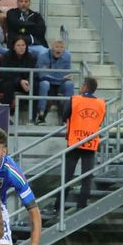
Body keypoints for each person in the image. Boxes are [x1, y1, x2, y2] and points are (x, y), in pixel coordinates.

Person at [65, 76, 105, 210]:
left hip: (74, 143)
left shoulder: (75, 100)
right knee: (87, 177)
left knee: (67, 176)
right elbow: (100, 121)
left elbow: (64, 114)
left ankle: (58, 206)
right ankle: (81, 205)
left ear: (85, 87)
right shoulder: (101, 103)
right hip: (90, 143)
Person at [4, 0, 49, 66]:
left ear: (30, 2)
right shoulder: (11, 13)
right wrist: (32, 25)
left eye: (26, 1)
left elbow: (41, 29)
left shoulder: (36, 15)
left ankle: (39, 76)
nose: (23, 4)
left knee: (45, 53)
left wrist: (22, 27)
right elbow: (15, 24)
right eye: (21, 1)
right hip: (18, 46)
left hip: (35, 45)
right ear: (17, 2)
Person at [35, 39, 73, 124]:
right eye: (56, 47)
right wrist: (60, 78)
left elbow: (67, 74)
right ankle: (40, 115)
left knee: (69, 84)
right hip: (47, 82)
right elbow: (42, 75)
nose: (59, 49)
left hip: (60, 83)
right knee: (45, 84)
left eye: (61, 47)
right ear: (51, 47)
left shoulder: (67, 56)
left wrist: (62, 79)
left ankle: (67, 116)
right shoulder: (43, 56)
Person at [0, 36, 35, 111]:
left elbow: (32, 74)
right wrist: (19, 81)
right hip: (5, 81)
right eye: (18, 45)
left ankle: (34, 116)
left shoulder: (30, 57)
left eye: (23, 45)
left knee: (35, 85)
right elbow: (4, 74)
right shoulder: (6, 56)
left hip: (22, 82)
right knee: (8, 85)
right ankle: (6, 113)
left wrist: (27, 81)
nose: (21, 48)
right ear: (13, 47)